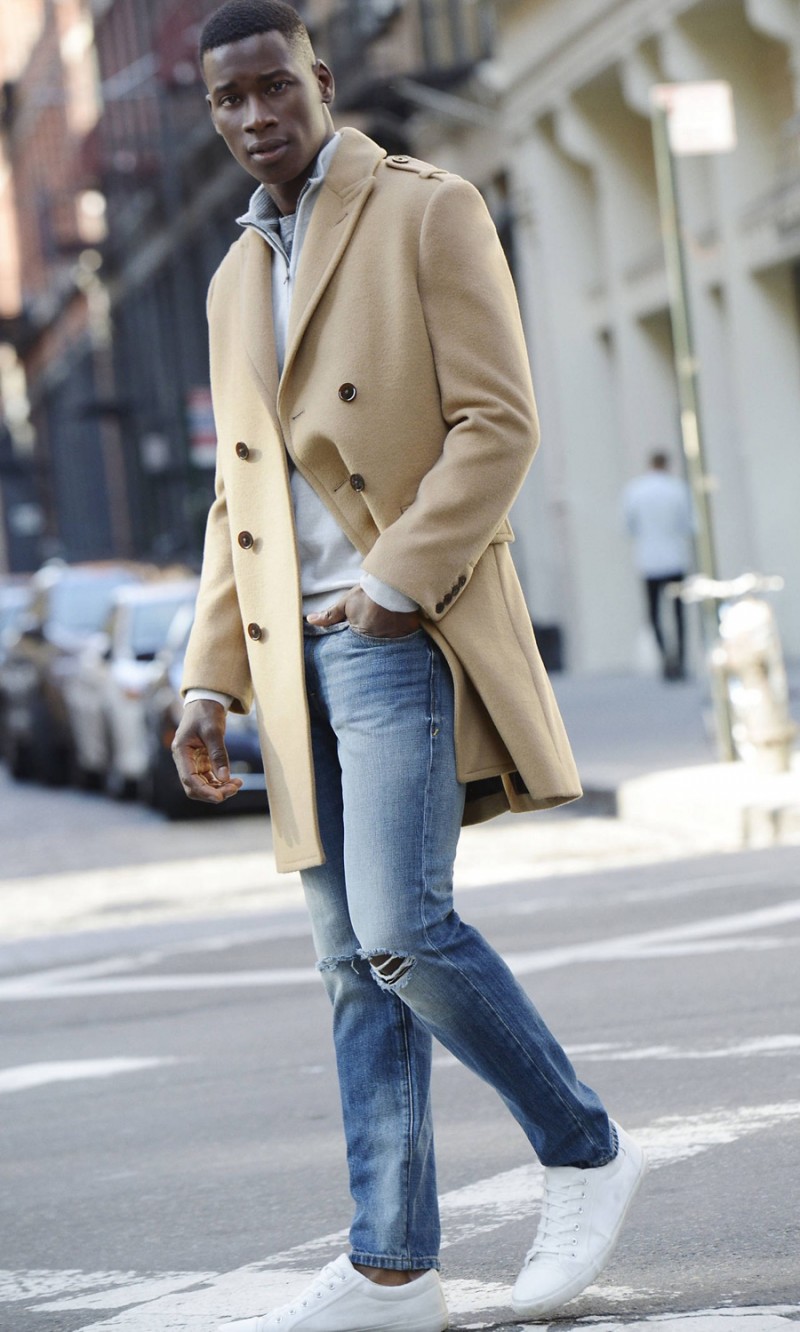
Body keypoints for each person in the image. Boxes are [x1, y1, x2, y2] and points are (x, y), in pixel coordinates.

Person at [172, 4, 646, 1328]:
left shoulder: (426, 211)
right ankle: (394, 1260)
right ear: (211, 113)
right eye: (228, 99)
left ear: (321, 84)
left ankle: (586, 1148)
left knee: (401, 930)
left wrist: (390, 589)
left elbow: (501, 421)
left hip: (390, 630)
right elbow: (238, 500)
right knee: (345, 960)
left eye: (276, 87)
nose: (255, 114)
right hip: (285, 661)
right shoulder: (224, 280)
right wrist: (206, 674)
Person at [622, 451, 695, 680]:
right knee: (678, 613)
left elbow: (628, 526)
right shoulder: (677, 489)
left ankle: (665, 658)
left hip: (649, 560)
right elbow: (689, 524)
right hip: (675, 558)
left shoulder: (635, 490)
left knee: (654, 613)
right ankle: (680, 659)